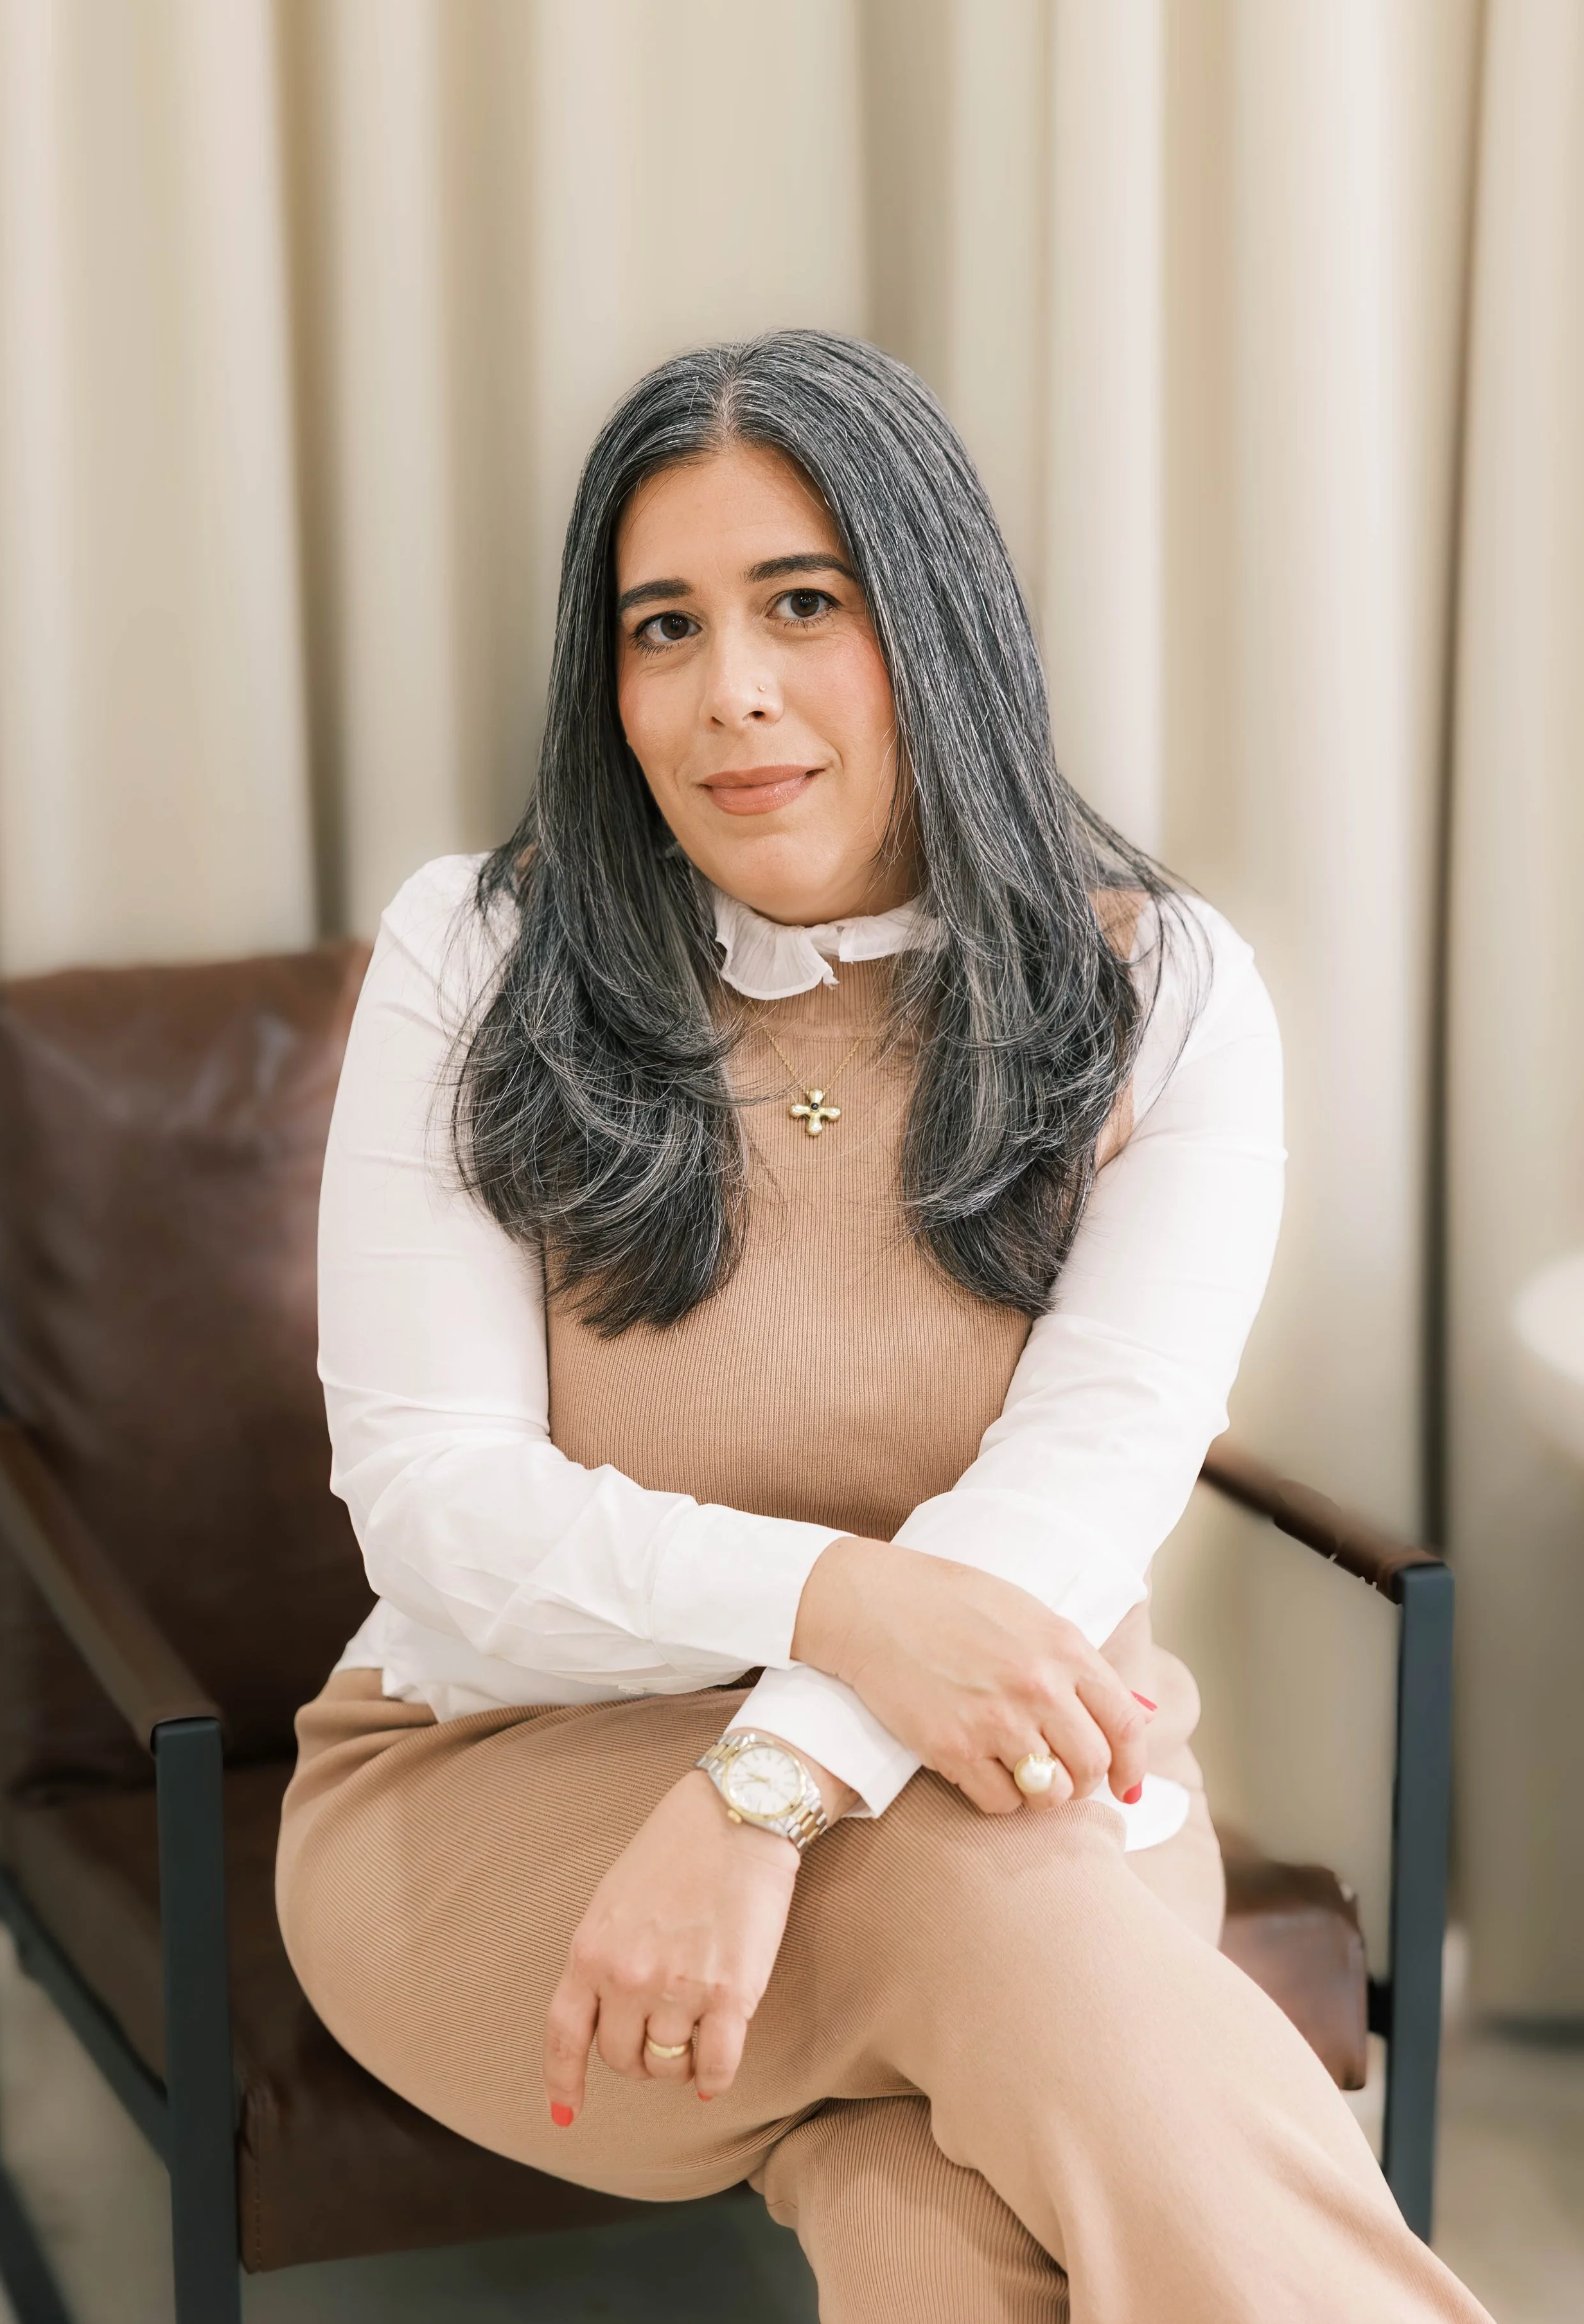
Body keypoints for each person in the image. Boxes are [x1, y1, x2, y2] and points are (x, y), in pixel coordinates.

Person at [276, 330, 1492, 2323]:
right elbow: (440, 1522)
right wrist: (854, 1614)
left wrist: (764, 1790)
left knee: (932, 2220)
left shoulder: (1162, 991)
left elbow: (1081, 1488)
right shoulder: (477, 954)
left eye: (804, 604)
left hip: (1012, 1768)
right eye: (662, 626)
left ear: (934, 626)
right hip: (487, 1804)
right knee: (990, 1911)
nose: (728, 691)